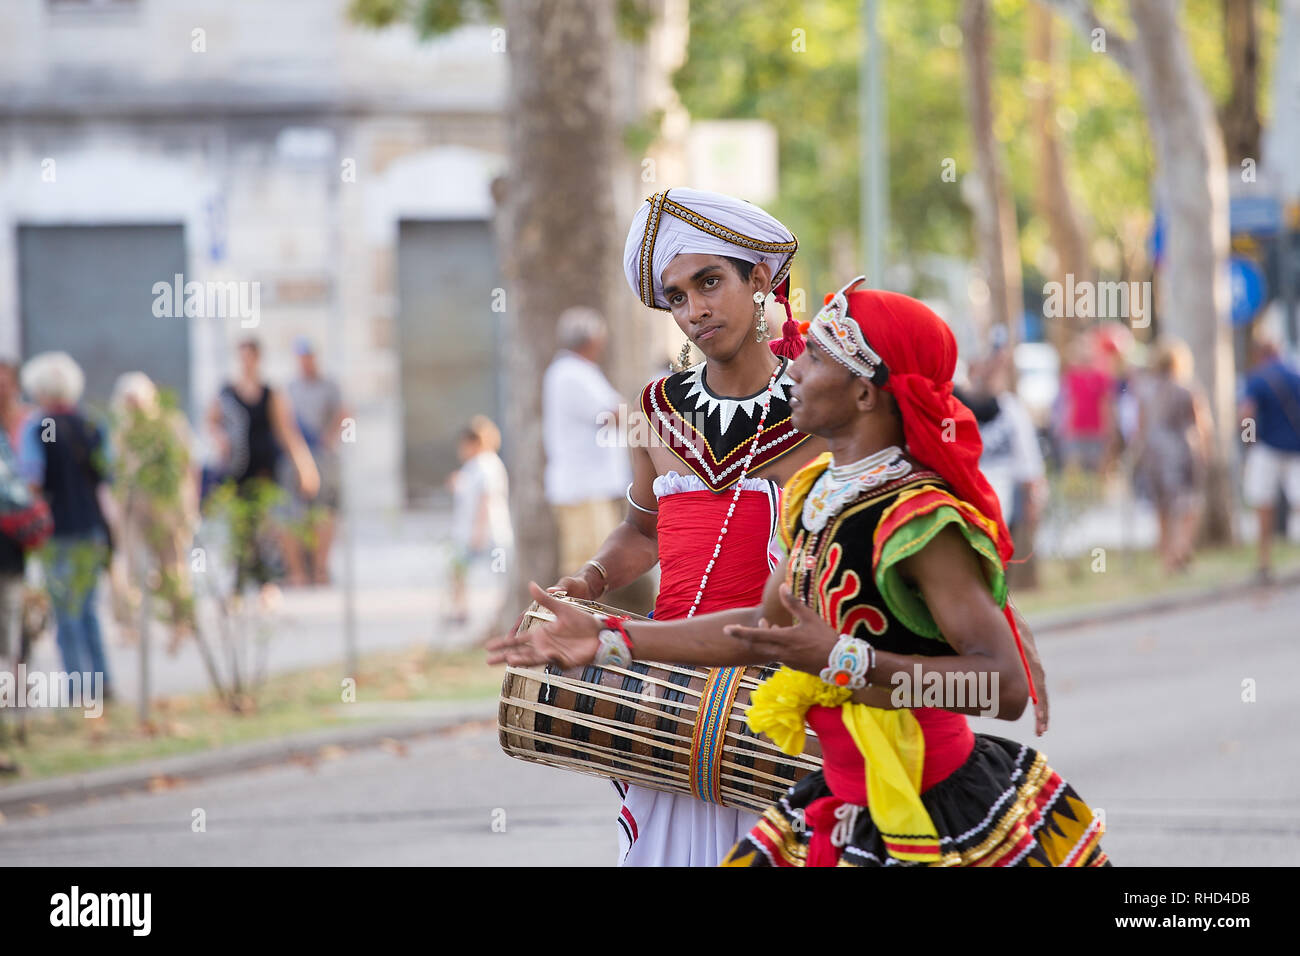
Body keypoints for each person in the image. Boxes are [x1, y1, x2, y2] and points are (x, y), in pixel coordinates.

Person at [491, 277, 1098, 868]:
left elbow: (1002, 690)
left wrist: (848, 661)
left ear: (864, 394)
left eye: (813, 356)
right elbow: (758, 626)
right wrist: (611, 641)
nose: (795, 369)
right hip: (839, 804)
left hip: (931, 809)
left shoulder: (918, 522)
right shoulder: (816, 500)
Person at [538, 187, 826, 867]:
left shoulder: (820, 408)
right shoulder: (654, 408)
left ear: (760, 281)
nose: (695, 309)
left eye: (709, 282)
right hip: (668, 699)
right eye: (676, 296)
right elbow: (642, 531)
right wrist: (592, 576)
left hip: (779, 702)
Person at [17, 352, 114, 700]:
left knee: (67, 614)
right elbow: (108, 475)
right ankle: (103, 683)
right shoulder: (92, 423)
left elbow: (32, 479)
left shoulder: (37, 426)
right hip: (91, 526)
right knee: (88, 610)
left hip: (56, 530)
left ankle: (79, 690)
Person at [206, 337, 319, 593]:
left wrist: (305, 466)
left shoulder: (271, 393)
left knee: (266, 525)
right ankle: (240, 580)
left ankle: (265, 580)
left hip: (265, 469)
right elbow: (211, 421)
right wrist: (219, 439)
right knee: (239, 526)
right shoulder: (226, 393)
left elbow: (287, 430)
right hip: (237, 468)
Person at [107, 372, 200, 652]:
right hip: (132, 506)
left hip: (167, 507)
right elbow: (115, 470)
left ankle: (181, 622)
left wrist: (190, 507)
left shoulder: (170, 425)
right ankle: (129, 625)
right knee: (130, 566)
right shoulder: (121, 430)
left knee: (173, 565)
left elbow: (188, 465)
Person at [542, 308, 631, 581]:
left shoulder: (579, 371)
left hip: (588, 486)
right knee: (587, 566)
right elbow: (615, 414)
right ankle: (573, 620)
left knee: (594, 562)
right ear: (591, 339)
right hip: (582, 487)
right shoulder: (571, 373)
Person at [955, 343, 1046, 589]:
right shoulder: (956, 407)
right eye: (988, 368)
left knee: (997, 568)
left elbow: (1028, 459)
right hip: (966, 497)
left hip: (1004, 499)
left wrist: (1033, 496)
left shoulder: (1010, 409)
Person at [1132, 339, 1211, 573]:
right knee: (1190, 504)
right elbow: (1200, 424)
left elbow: (1140, 426)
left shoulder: (1145, 389)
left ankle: (1168, 555)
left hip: (1153, 453)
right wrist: (1205, 452)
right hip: (1182, 451)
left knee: (1162, 507)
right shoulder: (1187, 388)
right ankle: (1180, 549)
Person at [283, 337, 346, 586]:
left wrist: (331, 439)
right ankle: (297, 572)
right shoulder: (290, 388)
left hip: (322, 456)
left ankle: (320, 570)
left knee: (324, 512)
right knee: (292, 514)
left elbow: (345, 414)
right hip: (298, 457)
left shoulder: (329, 386)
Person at [1239, 329, 1300, 584]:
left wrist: (1248, 442)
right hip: (1296, 449)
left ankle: (1264, 562)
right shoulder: (1295, 375)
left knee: (1263, 505)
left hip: (1268, 450)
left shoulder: (1257, 378)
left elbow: (1246, 415)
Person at [447, 416, 513, 625]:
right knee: (458, 570)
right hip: (470, 531)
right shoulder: (474, 466)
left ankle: (496, 615)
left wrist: (479, 530)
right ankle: (461, 611)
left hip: (486, 532)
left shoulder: (486, 464)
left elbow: (486, 499)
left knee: (498, 576)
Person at [1058, 336, 1114, 475]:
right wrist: (1066, 426)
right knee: (1075, 467)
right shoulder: (1072, 377)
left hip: (1095, 428)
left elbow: (1105, 404)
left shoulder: (1101, 377)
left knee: (1096, 466)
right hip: (1077, 428)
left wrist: (1107, 427)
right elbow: (1069, 403)